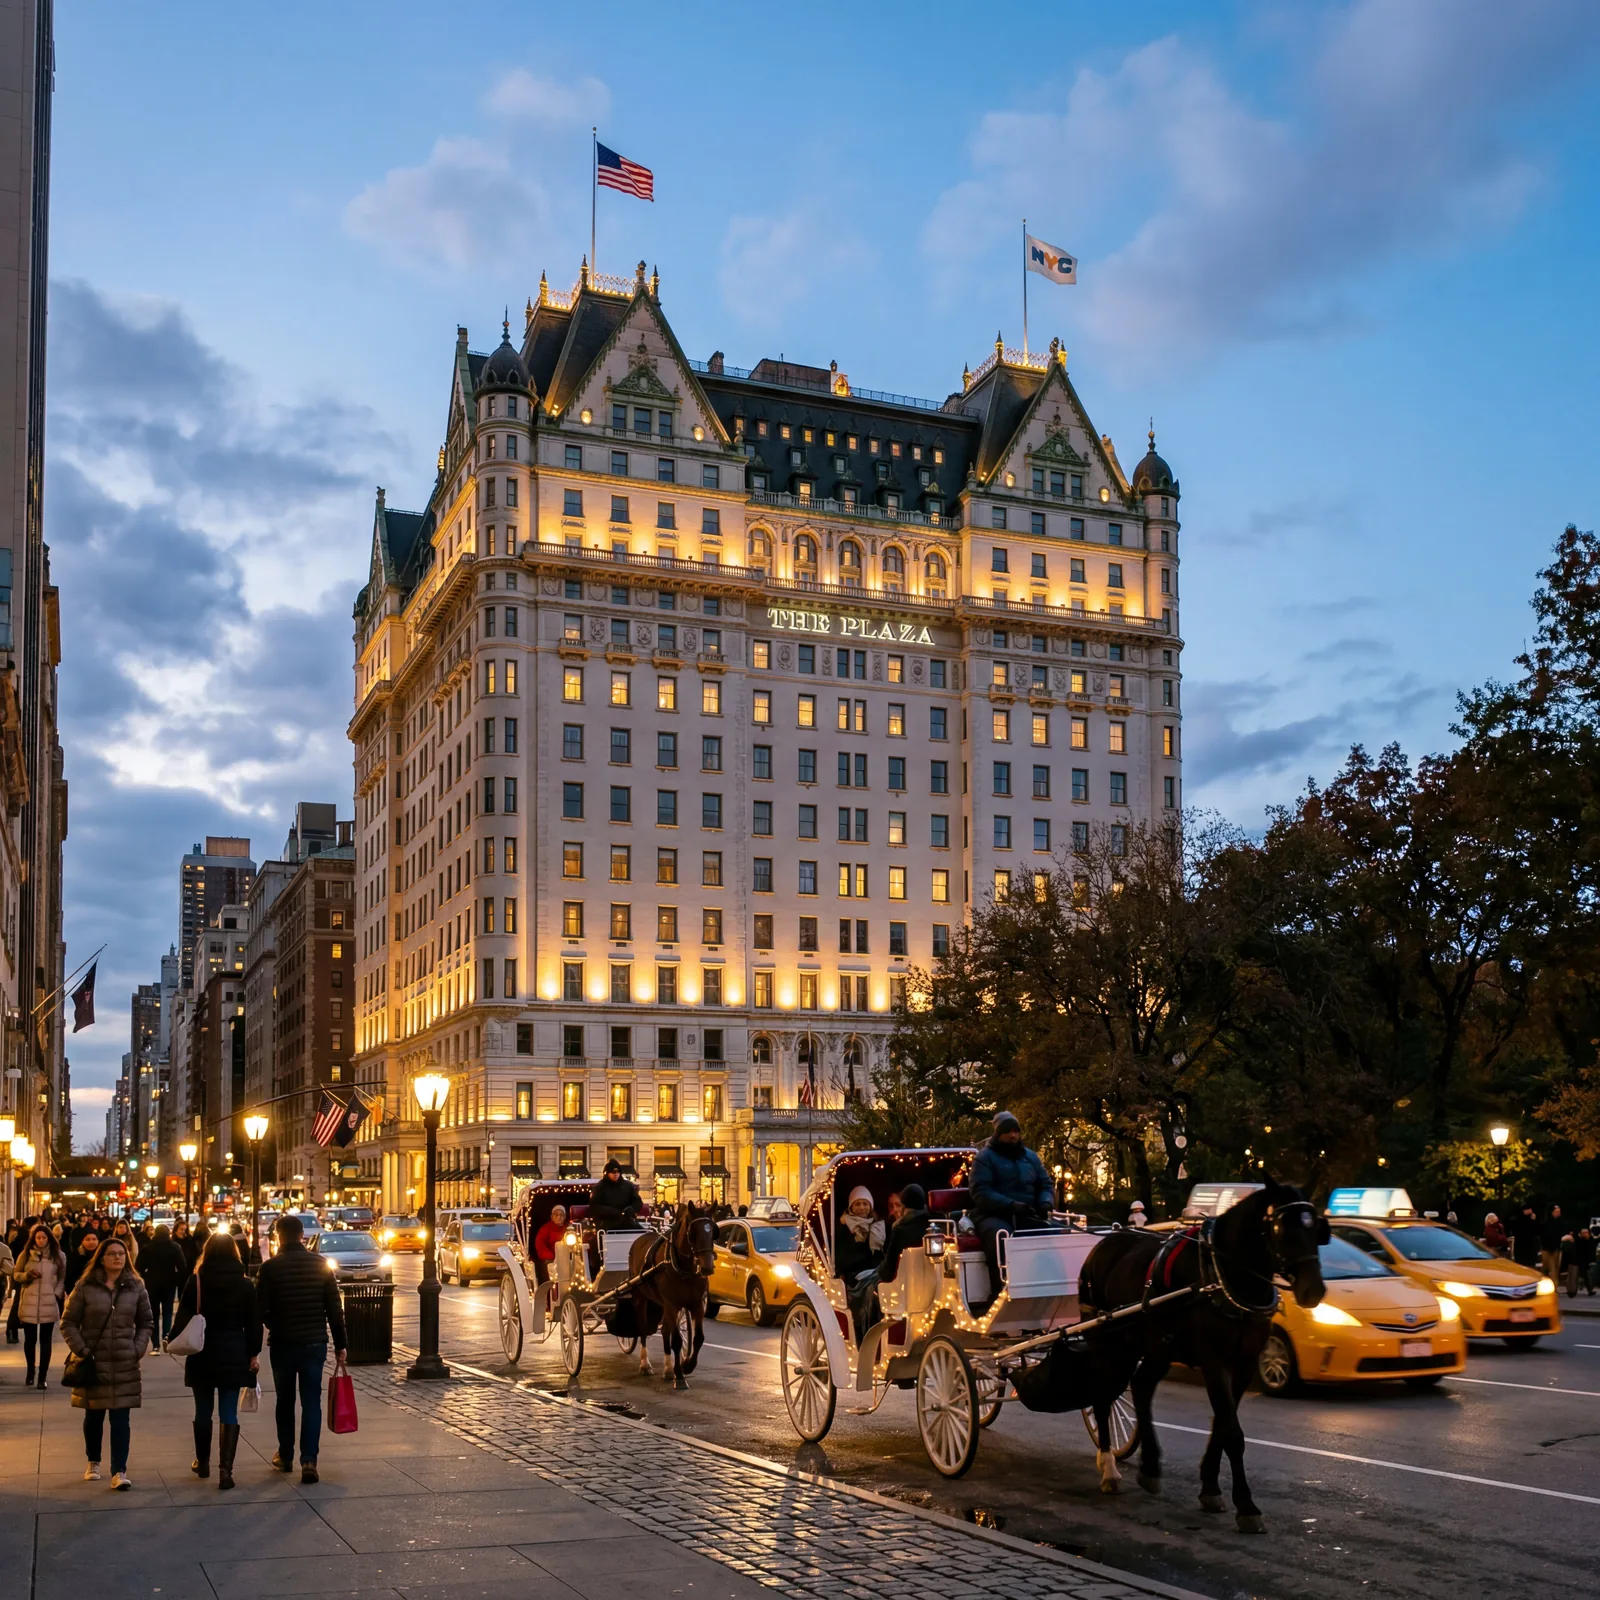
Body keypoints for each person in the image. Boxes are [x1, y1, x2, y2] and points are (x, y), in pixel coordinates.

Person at [254, 1213, 347, 1484]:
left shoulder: (270, 1268)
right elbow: (334, 1309)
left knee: (285, 1401)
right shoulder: (320, 1265)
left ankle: (285, 1454)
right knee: (311, 1401)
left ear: (278, 1237)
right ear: (302, 1236)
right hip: (314, 1342)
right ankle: (309, 1460)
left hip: (283, 1343)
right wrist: (341, 1344)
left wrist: (276, 1324)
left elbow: (261, 1309)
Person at [171, 1231, 261, 1489]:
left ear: (206, 1252)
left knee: (202, 1409)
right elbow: (254, 1324)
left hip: (203, 1351)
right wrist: (253, 1354)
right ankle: (226, 1470)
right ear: (235, 1252)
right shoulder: (244, 1284)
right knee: (228, 1410)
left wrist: (174, 1338)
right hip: (234, 1350)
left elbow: (182, 1318)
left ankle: (202, 1462)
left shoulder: (196, 1281)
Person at [61, 1236, 153, 1489]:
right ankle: (93, 1460)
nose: (117, 1257)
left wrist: (137, 1348)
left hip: (125, 1360)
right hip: (94, 1361)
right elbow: (68, 1322)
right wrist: (82, 1349)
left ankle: (119, 1471)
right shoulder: (86, 1286)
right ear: (101, 1257)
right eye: (112, 1253)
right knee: (94, 1416)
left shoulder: (136, 1286)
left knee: (121, 1418)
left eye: (121, 1254)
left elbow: (146, 1322)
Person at [970, 1111, 1055, 1290]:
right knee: (1001, 1235)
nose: (1012, 1135)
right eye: (1007, 1131)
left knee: (1054, 1232)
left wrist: (1045, 1202)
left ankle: (1052, 1284)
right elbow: (981, 1192)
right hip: (993, 1214)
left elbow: (1045, 1184)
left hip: (1028, 1213)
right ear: (998, 1133)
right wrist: (1010, 1205)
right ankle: (1000, 1288)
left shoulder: (1031, 1157)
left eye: (1016, 1130)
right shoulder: (984, 1158)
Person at [848, 1185, 932, 1334]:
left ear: (904, 1205)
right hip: (929, 1284)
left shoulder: (900, 1229)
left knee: (868, 1289)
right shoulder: (933, 1224)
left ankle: (867, 1333)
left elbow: (888, 1271)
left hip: (903, 1285)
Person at [14, 1223, 65, 1388]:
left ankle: (42, 1376)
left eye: (44, 1237)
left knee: (45, 1340)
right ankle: (30, 1372)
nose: (41, 1240)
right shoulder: (26, 1254)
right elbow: (16, 1274)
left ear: (49, 1238)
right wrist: (26, 1275)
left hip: (48, 1302)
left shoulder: (58, 1256)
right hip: (29, 1301)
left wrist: (56, 1294)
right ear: (34, 1239)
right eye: (38, 1237)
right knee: (29, 1340)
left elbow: (62, 1278)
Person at [137, 1225, 187, 1352]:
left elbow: (139, 1267)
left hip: (152, 1283)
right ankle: (166, 1336)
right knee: (167, 1312)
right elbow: (183, 1267)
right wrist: (176, 1277)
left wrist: (146, 1276)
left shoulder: (148, 1247)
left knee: (153, 1313)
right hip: (169, 1282)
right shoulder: (175, 1247)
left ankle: (155, 1344)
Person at [833, 1187, 885, 1292]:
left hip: (876, 1271)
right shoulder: (844, 1227)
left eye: (865, 1204)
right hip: (854, 1275)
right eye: (857, 1204)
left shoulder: (878, 1226)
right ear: (851, 1207)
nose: (861, 1208)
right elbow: (840, 1257)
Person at [589, 1160, 643, 1228]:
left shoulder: (628, 1186)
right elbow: (594, 1207)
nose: (616, 1174)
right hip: (607, 1222)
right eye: (613, 1172)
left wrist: (631, 1209)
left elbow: (637, 1201)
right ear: (607, 1173)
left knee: (641, 1232)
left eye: (618, 1171)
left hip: (627, 1220)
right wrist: (613, 1212)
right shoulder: (600, 1187)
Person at [533, 1205, 569, 1285]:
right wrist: (550, 1256)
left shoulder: (567, 1229)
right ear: (552, 1216)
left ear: (565, 1217)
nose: (559, 1217)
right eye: (556, 1215)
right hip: (550, 1258)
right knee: (549, 1265)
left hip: (566, 1257)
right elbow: (540, 1244)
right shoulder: (545, 1229)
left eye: (561, 1215)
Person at [66, 1228, 100, 1292]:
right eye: (87, 1239)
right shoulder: (74, 1257)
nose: (91, 1242)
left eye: (94, 1239)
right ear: (82, 1241)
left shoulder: (102, 1256)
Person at [1509, 1203, 1541, 1269]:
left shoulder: (1531, 1219)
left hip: (1530, 1248)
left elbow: (1536, 1231)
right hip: (1521, 1248)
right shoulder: (1517, 1220)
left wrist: (1534, 1221)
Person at [1540, 1205, 1566, 1285]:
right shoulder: (1546, 1223)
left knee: (1555, 1267)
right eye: (1556, 1211)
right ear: (1552, 1212)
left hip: (1556, 1248)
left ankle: (1554, 1285)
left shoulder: (1560, 1222)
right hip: (1547, 1248)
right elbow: (1544, 1236)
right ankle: (1549, 1284)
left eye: (1559, 1211)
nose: (1558, 1213)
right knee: (1547, 1268)